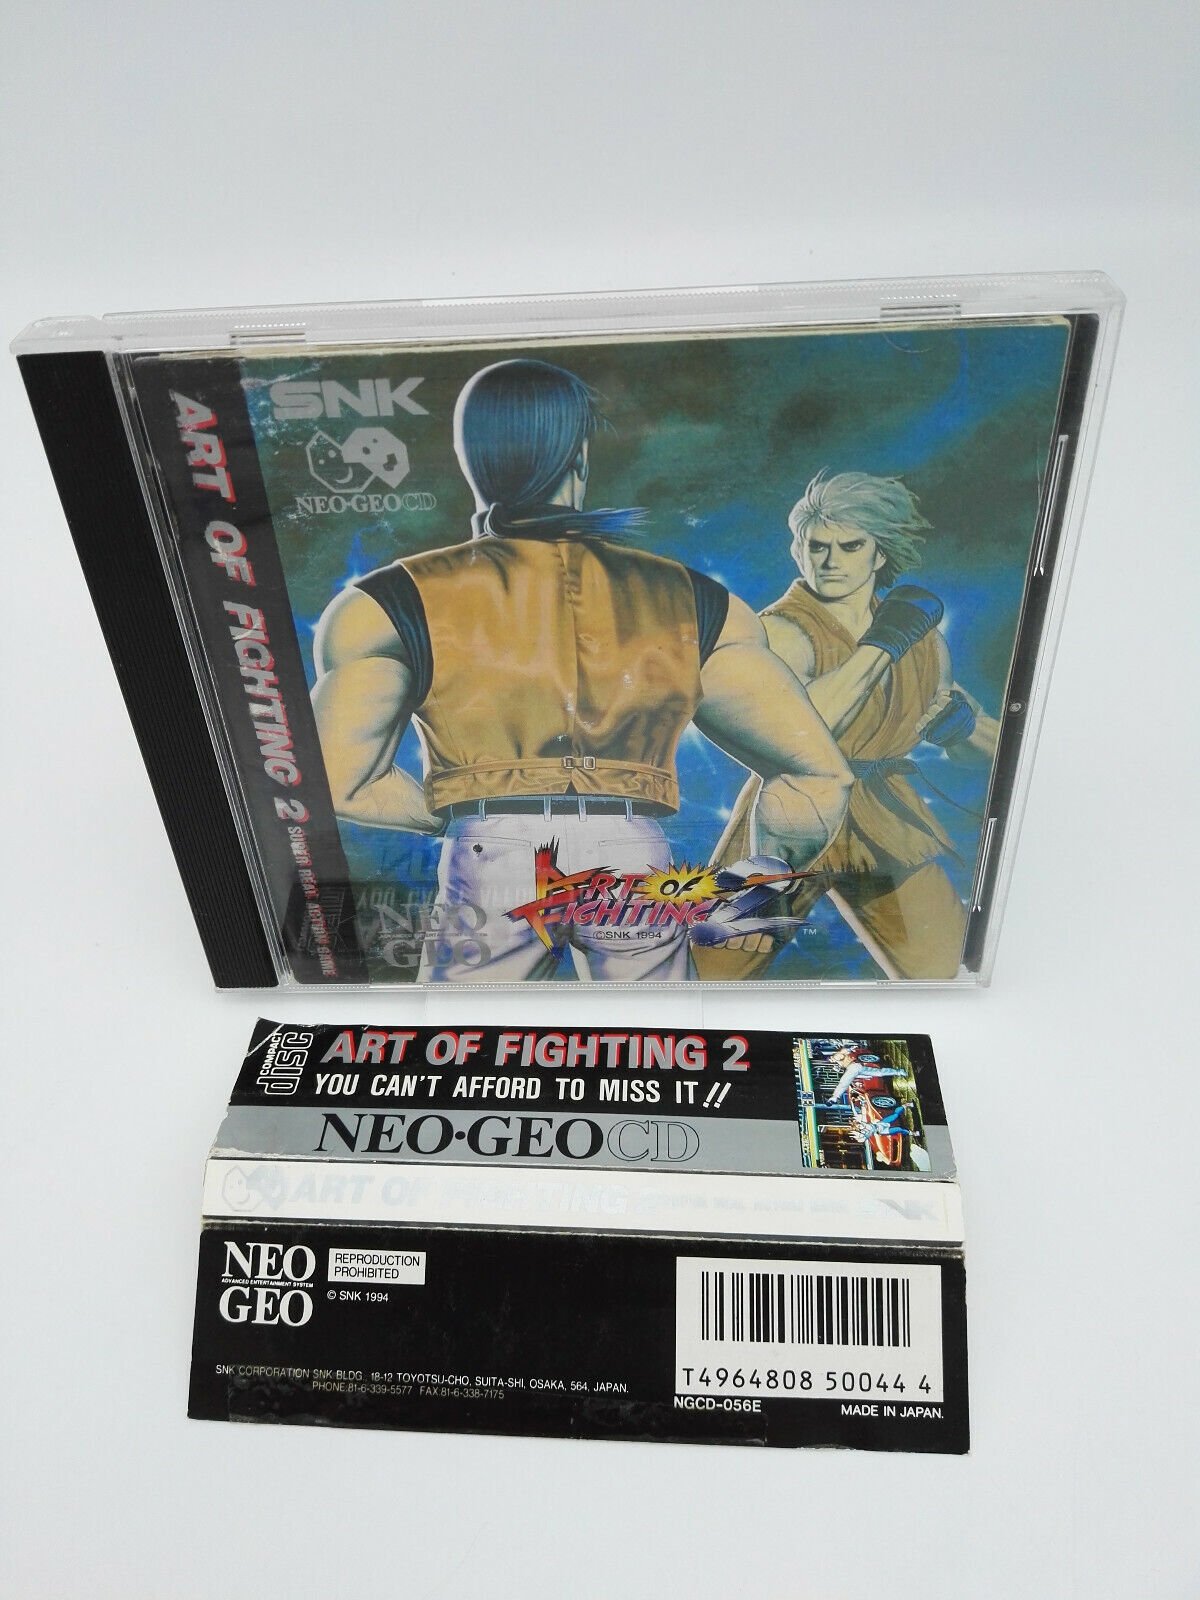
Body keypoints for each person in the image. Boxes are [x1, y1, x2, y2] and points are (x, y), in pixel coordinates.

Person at [310, 359, 850, 981]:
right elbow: (818, 776)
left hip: (492, 848)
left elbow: (341, 781)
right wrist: (757, 879)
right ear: (581, 457)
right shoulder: (701, 603)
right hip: (631, 852)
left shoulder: (384, 603)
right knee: (657, 1037)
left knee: (469, 1036)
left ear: (470, 459)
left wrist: (471, 815)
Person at [694, 469, 999, 982]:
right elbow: (799, 736)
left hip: (885, 815)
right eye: (817, 546)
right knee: (707, 975)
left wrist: (959, 728)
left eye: (850, 546)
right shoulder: (779, 632)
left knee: (946, 974)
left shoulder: (924, 640)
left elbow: (984, 750)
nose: (830, 561)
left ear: (879, 554)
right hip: (794, 812)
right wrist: (882, 646)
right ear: (799, 550)